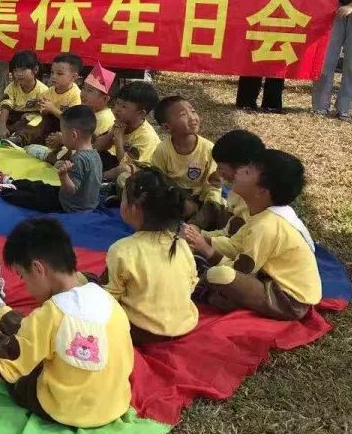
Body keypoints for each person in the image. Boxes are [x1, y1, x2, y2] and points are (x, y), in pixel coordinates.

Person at [0, 218, 133, 427]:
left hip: (59, 408)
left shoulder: (48, 316)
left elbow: (1, 370)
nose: (25, 286)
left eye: (22, 276)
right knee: (34, 332)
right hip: (113, 405)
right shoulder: (107, 300)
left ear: (38, 268)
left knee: (3, 345)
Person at [184, 149, 321, 321]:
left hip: (287, 301)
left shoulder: (267, 225)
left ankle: (212, 294)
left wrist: (208, 251)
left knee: (220, 275)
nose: (239, 171)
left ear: (262, 191)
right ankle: (222, 296)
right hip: (266, 281)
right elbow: (235, 244)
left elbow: (242, 270)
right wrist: (201, 239)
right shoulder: (260, 213)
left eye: (247, 171)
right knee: (210, 264)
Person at [105, 168, 198, 344]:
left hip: (139, 331)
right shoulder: (181, 243)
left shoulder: (122, 249)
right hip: (183, 326)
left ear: (134, 207)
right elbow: (192, 284)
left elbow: (108, 299)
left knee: (84, 285)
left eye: (123, 198)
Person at [0, 105, 102, 214]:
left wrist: (63, 176)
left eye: (63, 133)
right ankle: (10, 181)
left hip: (70, 206)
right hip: (82, 203)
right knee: (40, 186)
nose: (62, 136)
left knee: (31, 199)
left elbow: (72, 190)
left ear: (74, 135)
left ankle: (1, 190)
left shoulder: (79, 158)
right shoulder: (95, 155)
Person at [150, 95, 224, 228]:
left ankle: (196, 223)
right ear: (167, 128)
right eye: (183, 115)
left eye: (193, 111)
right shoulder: (163, 150)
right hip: (175, 197)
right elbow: (157, 179)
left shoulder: (208, 148)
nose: (192, 117)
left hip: (201, 199)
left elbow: (213, 185)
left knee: (218, 208)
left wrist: (210, 202)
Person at [4, 53, 83, 148]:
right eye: (52, 72)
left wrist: (52, 109)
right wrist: (44, 111)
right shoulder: (48, 92)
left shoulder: (76, 94)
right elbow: (43, 115)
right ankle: (17, 137)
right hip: (48, 126)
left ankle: (21, 138)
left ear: (73, 77)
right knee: (35, 119)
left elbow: (72, 121)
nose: (54, 76)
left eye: (59, 73)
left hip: (66, 129)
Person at [202, 129, 265, 246]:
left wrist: (199, 239)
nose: (218, 171)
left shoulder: (252, 203)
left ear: (242, 169)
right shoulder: (246, 189)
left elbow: (233, 242)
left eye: (221, 167)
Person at [96, 80, 161, 184]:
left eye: (124, 106)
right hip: (118, 162)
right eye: (117, 103)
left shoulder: (146, 136)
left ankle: (97, 180)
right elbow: (96, 147)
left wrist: (119, 139)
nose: (117, 109)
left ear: (141, 114)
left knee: (124, 170)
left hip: (142, 175)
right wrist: (111, 133)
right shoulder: (121, 123)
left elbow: (126, 164)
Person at [0, 50, 46, 141]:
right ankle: (5, 132)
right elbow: (5, 107)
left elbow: (44, 113)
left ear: (35, 70)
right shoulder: (12, 87)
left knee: (36, 124)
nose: (19, 74)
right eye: (15, 70)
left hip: (31, 117)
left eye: (23, 69)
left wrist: (31, 115)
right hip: (13, 115)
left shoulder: (43, 90)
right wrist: (2, 126)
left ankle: (17, 137)